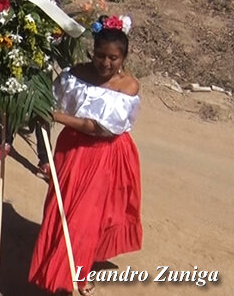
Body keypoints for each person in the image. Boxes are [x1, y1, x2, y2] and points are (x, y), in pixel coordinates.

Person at [29, 16, 141, 296]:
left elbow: (100, 128)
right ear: (93, 51)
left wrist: (56, 116)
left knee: (85, 217)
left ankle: (70, 275)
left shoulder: (128, 86)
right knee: (61, 208)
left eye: (113, 58)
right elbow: (49, 99)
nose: (106, 63)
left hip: (105, 155)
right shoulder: (74, 74)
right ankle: (60, 265)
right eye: (100, 55)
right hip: (70, 151)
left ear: (124, 58)